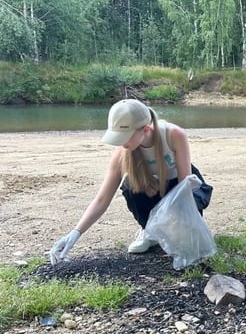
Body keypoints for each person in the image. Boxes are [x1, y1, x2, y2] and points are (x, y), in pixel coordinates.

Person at [49, 99, 213, 263]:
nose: (120, 142)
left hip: (181, 186)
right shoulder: (122, 151)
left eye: (125, 137)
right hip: (152, 187)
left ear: (146, 129)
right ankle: (148, 231)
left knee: (186, 239)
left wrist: (189, 227)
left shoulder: (174, 134)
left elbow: (184, 189)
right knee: (130, 186)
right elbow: (102, 199)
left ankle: (178, 230)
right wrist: (75, 233)